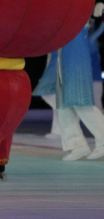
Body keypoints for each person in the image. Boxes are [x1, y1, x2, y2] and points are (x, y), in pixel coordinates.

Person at [35, 26, 104, 161]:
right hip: (62, 51)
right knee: (62, 104)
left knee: (79, 100)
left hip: (75, 49)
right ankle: (77, 145)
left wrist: (99, 4)